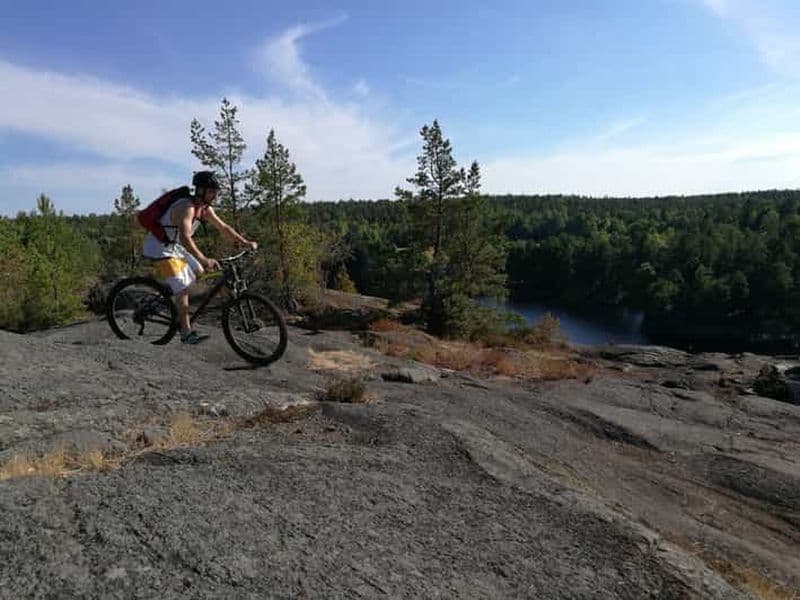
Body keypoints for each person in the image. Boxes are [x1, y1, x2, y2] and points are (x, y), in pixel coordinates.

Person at [142, 171, 257, 344]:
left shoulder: (204, 209)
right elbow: (185, 237)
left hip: (175, 247)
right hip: (160, 248)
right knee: (182, 287)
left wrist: (245, 242)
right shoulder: (186, 207)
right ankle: (186, 332)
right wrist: (204, 257)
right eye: (212, 191)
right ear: (201, 190)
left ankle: (170, 298)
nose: (215, 195)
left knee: (200, 271)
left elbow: (223, 227)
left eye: (216, 192)